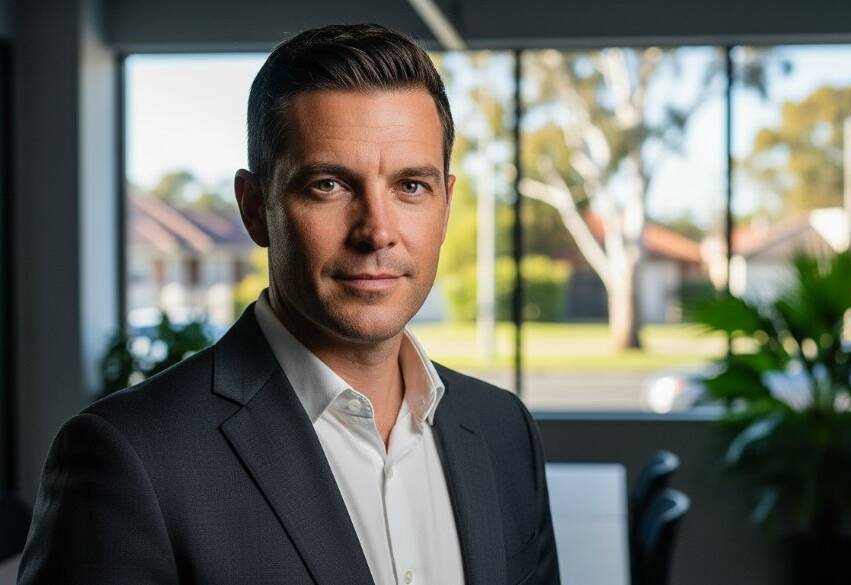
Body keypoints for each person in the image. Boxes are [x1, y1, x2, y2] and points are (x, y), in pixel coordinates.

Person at [17, 23, 560, 585]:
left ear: (445, 205)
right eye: (329, 184)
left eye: (410, 186)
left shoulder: (503, 431)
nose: (377, 232)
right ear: (255, 208)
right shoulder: (131, 458)